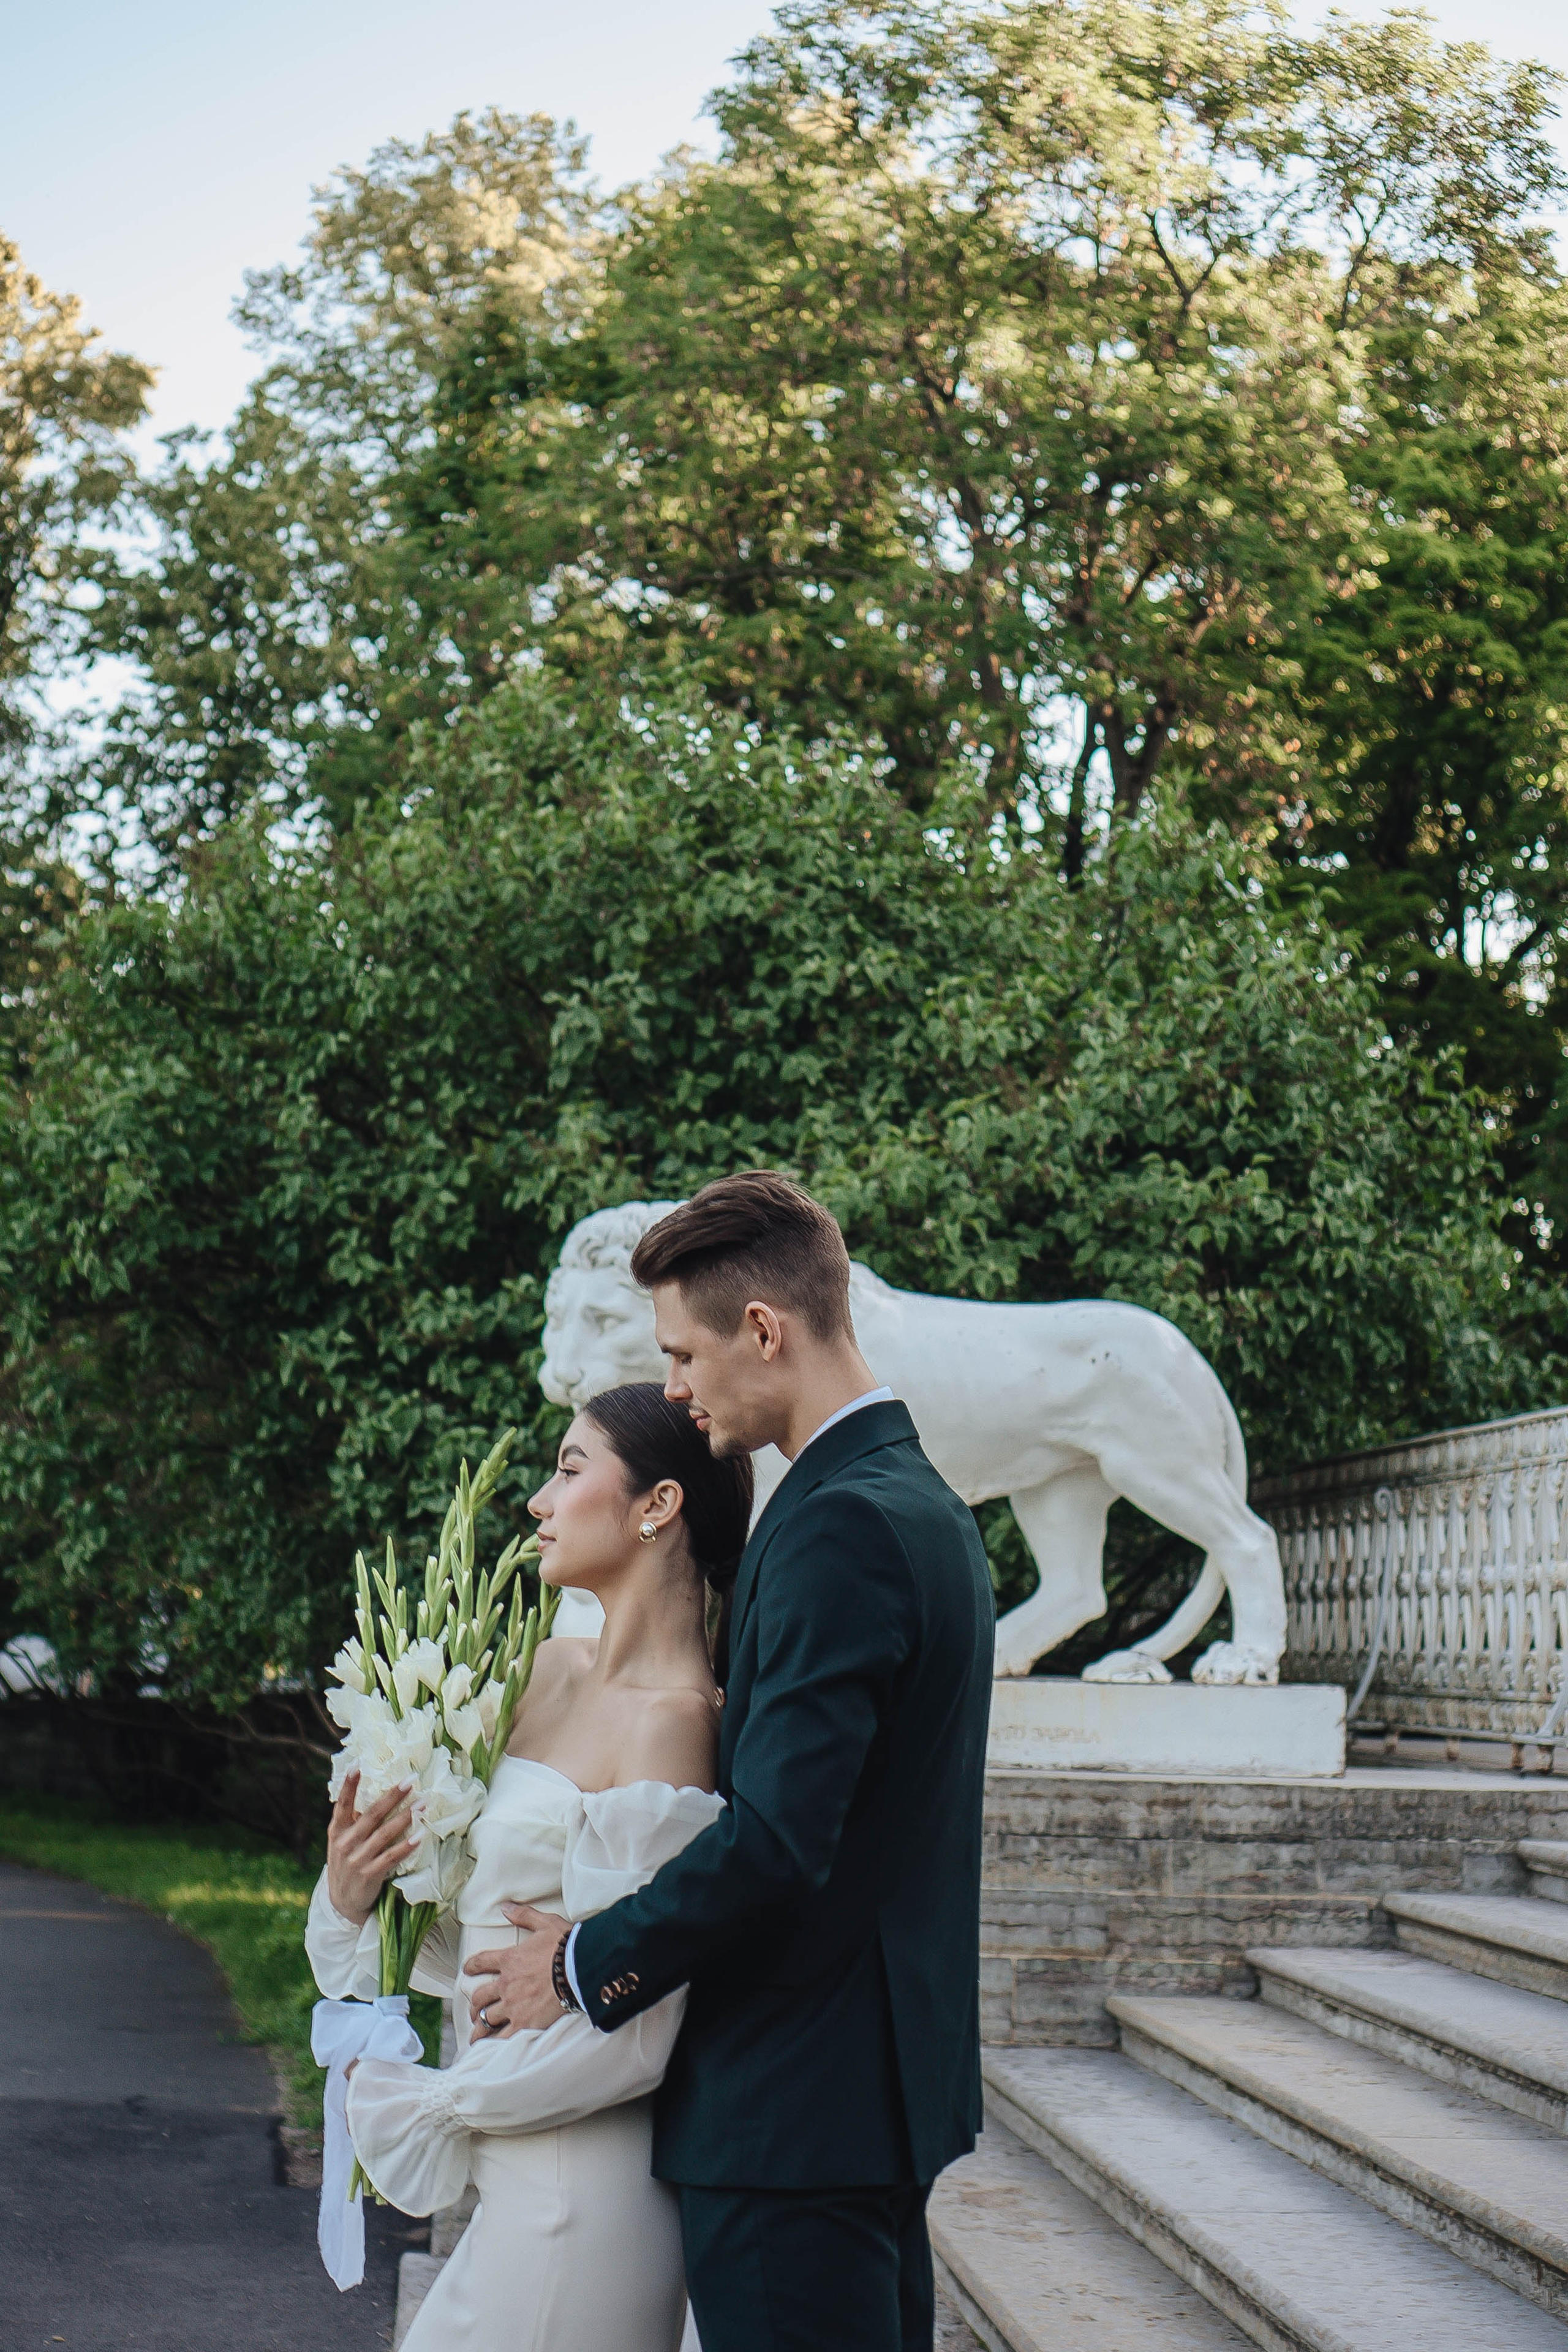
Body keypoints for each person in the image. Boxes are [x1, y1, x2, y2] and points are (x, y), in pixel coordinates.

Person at [466, 1170, 995, 2352]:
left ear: (763, 1330)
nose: (674, 1387)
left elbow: (777, 1842)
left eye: (684, 1356)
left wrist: (581, 1962)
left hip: (789, 2114)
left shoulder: (837, 1529)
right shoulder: (921, 1505)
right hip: (867, 2097)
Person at [304, 1381, 752, 2352]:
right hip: (508, 2165)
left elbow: (640, 2027)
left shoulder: (674, 1722)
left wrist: (443, 2103)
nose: (540, 1502)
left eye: (570, 1469)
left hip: (580, 2192)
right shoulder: (546, 1667)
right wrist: (358, 1901)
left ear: (658, 1507)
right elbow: (488, 1953)